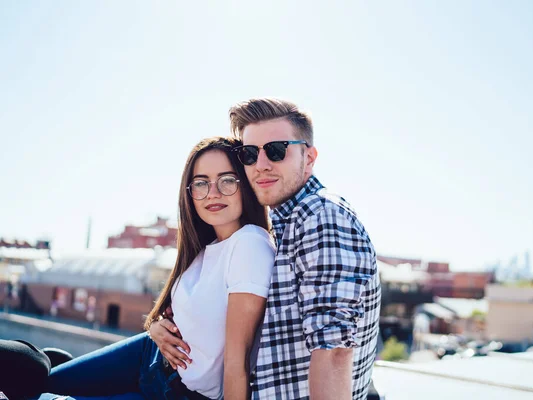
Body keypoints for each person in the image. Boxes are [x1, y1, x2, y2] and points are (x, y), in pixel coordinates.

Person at [152, 99, 381, 399]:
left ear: (309, 157)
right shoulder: (287, 221)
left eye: (276, 150)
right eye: (250, 154)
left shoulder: (320, 216)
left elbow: (333, 350)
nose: (261, 165)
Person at [35, 136, 276, 400]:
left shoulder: (250, 243)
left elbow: (237, 360)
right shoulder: (204, 248)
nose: (213, 193)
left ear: (246, 185)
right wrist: (158, 327)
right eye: (200, 183)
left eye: (227, 180)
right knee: (38, 385)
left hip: (179, 393)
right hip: (148, 354)